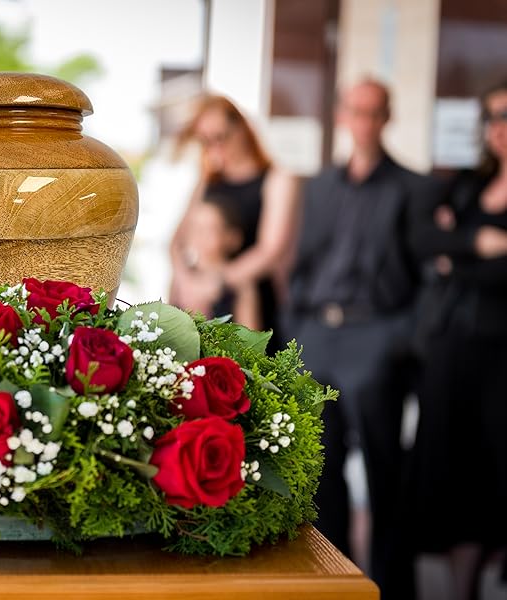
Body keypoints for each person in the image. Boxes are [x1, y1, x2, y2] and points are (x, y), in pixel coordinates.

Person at [286, 78, 430, 598]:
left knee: (383, 469)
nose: (364, 122)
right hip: (320, 333)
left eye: (374, 112)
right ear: (343, 115)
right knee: (321, 473)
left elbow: (425, 278)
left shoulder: (413, 188)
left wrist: (401, 339)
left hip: (377, 335)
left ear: (386, 118)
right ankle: (335, 582)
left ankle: (392, 586)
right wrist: (298, 329)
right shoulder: (319, 186)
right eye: (355, 111)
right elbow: (301, 265)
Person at [405, 78, 507, 600]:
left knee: (498, 469)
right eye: (491, 116)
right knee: (454, 471)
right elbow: (424, 240)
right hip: (451, 346)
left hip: (502, 354)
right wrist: (479, 241)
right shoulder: (467, 186)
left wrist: (458, 257)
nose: (499, 128)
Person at [168, 94, 299, 348]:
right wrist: (187, 283)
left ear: (241, 128)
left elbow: (270, 250)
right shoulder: (208, 181)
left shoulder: (277, 178)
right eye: (205, 140)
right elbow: (177, 242)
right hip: (201, 301)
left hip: (252, 304)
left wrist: (216, 283)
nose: (214, 147)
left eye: (221, 136)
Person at [182, 197, 261, 330]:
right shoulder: (184, 276)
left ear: (232, 238)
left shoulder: (241, 286)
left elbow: (251, 342)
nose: (200, 234)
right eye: (195, 227)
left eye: (210, 228)